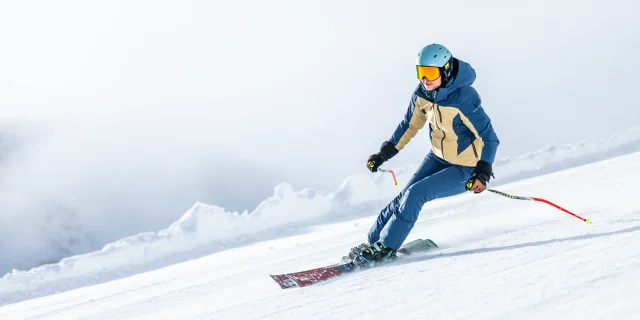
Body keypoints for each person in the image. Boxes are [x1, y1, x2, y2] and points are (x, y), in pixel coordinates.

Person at [348, 43, 500, 264]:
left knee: (415, 195)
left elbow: (489, 137)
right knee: (404, 196)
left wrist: (483, 172)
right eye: (421, 72)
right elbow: (408, 126)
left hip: (466, 167)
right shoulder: (423, 94)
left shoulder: (464, 97)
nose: (424, 79)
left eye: (430, 73)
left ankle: (387, 247)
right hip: (438, 157)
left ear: (446, 70)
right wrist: (383, 155)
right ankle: (374, 242)